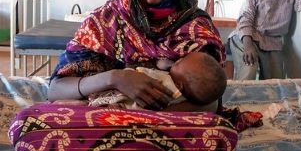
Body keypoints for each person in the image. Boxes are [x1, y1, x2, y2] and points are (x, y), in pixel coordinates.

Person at [48, 0, 226, 112]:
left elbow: (210, 101)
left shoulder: (196, 27)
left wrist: (138, 115)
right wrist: (117, 78)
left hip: (151, 126)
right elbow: (56, 90)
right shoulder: (102, 23)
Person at [88, 52, 227, 112]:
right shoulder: (184, 80)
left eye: (178, 63)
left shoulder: (165, 85)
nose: (176, 61)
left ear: (179, 85)